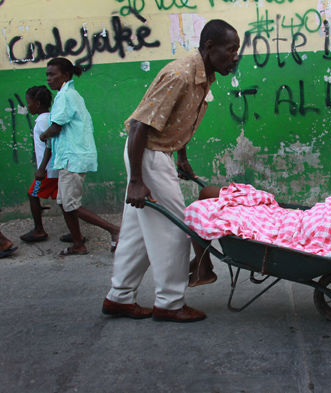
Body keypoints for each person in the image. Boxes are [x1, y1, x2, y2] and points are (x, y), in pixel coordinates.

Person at [102, 19, 240, 323]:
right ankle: (170, 302)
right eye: (231, 49)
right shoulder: (179, 75)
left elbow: (177, 119)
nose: (235, 56)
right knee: (178, 230)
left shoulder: (204, 76)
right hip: (148, 156)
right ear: (209, 47)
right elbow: (140, 125)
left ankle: (119, 297)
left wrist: (182, 156)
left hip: (158, 153)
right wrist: (136, 181)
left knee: (136, 235)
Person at [185, 183, 331, 286]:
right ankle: (201, 262)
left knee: (199, 209)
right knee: (208, 193)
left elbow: (315, 245)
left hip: (275, 230)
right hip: (278, 215)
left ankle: (204, 269)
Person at [39, 57, 120, 255]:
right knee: (65, 203)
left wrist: (43, 134)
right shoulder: (67, 95)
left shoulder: (66, 96)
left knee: (71, 205)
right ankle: (78, 243)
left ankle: (115, 230)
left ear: (65, 76)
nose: (48, 79)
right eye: (47, 75)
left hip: (73, 157)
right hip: (71, 156)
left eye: (52, 74)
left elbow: (56, 127)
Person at [19, 86, 59, 243]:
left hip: (48, 171)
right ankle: (75, 232)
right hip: (54, 169)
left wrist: (41, 169)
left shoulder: (42, 121)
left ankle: (39, 230)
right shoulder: (49, 118)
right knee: (64, 203)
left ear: (36, 103)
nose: (27, 106)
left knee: (32, 194)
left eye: (28, 103)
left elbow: (49, 145)